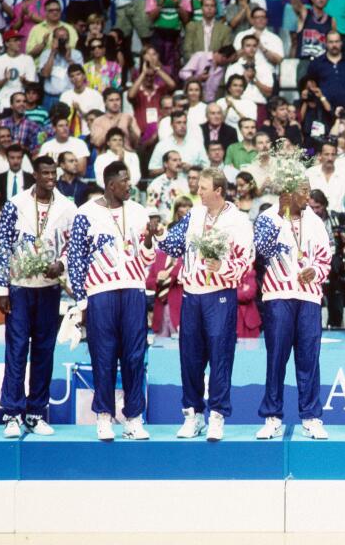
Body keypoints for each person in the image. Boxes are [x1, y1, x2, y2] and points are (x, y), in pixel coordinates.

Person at [156, 168, 254, 442]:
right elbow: (174, 244)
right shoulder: (195, 214)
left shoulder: (239, 221)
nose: (197, 192)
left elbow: (247, 260)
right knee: (190, 357)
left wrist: (222, 265)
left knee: (220, 357)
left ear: (219, 191)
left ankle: (217, 416)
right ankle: (192, 415)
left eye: (203, 188)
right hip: (191, 294)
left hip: (219, 294)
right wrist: (157, 235)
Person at [67, 161, 158, 441]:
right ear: (110, 185)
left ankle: (134, 418)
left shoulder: (139, 211)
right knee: (103, 357)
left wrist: (148, 242)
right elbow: (75, 260)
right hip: (100, 293)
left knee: (134, 356)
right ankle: (104, 418)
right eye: (125, 181)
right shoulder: (86, 214)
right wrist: (82, 303)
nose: (130, 185)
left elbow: (147, 260)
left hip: (133, 289)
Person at [0, 156, 76, 438]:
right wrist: (2, 289)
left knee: (44, 350)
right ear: (35, 175)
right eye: (45, 173)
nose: (50, 178)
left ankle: (35, 412)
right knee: (16, 350)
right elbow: (4, 246)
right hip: (19, 286)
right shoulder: (15, 204)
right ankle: (11, 413)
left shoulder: (67, 207)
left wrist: (62, 265)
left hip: (49, 287)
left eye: (54, 173)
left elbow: (74, 245)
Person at [253, 176, 331, 440]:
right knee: (276, 358)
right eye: (303, 191)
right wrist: (278, 213)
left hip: (309, 297)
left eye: (309, 191)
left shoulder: (316, 222)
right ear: (288, 192)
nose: (308, 197)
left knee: (309, 359)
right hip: (278, 295)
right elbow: (261, 250)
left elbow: (325, 257)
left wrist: (316, 271)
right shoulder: (268, 217)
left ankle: (311, 417)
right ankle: (272, 417)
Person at [0, 31, 37, 115]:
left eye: (19, 40)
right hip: (3, 102)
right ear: (7, 43)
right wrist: (5, 80)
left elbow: (33, 85)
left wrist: (24, 82)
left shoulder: (28, 59)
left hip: (23, 103)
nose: (19, 43)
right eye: (15, 40)